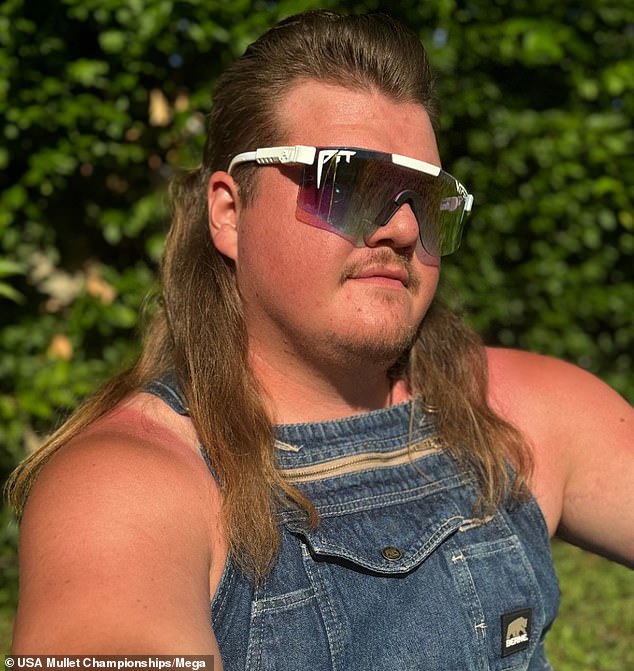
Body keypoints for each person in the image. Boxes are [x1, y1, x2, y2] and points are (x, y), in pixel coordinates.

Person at [7, 9, 633, 669]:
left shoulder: (523, 412)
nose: (398, 228)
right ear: (229, 211)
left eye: (423, 197)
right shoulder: (129, 486)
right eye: (348, 182)